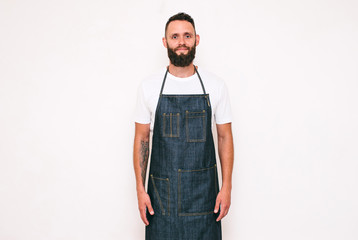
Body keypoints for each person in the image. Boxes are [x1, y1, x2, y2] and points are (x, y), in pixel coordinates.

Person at [133, 12, 234, 240]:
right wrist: (140, 190)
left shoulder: (215, 85)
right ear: (165, 42)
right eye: (175, 36)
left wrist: (226, 187)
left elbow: (225, 137)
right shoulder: (149, 86)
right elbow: (142, 139)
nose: (181, 42)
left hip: (204, 195)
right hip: (162, 198)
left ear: (197, 39)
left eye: (187, 36)